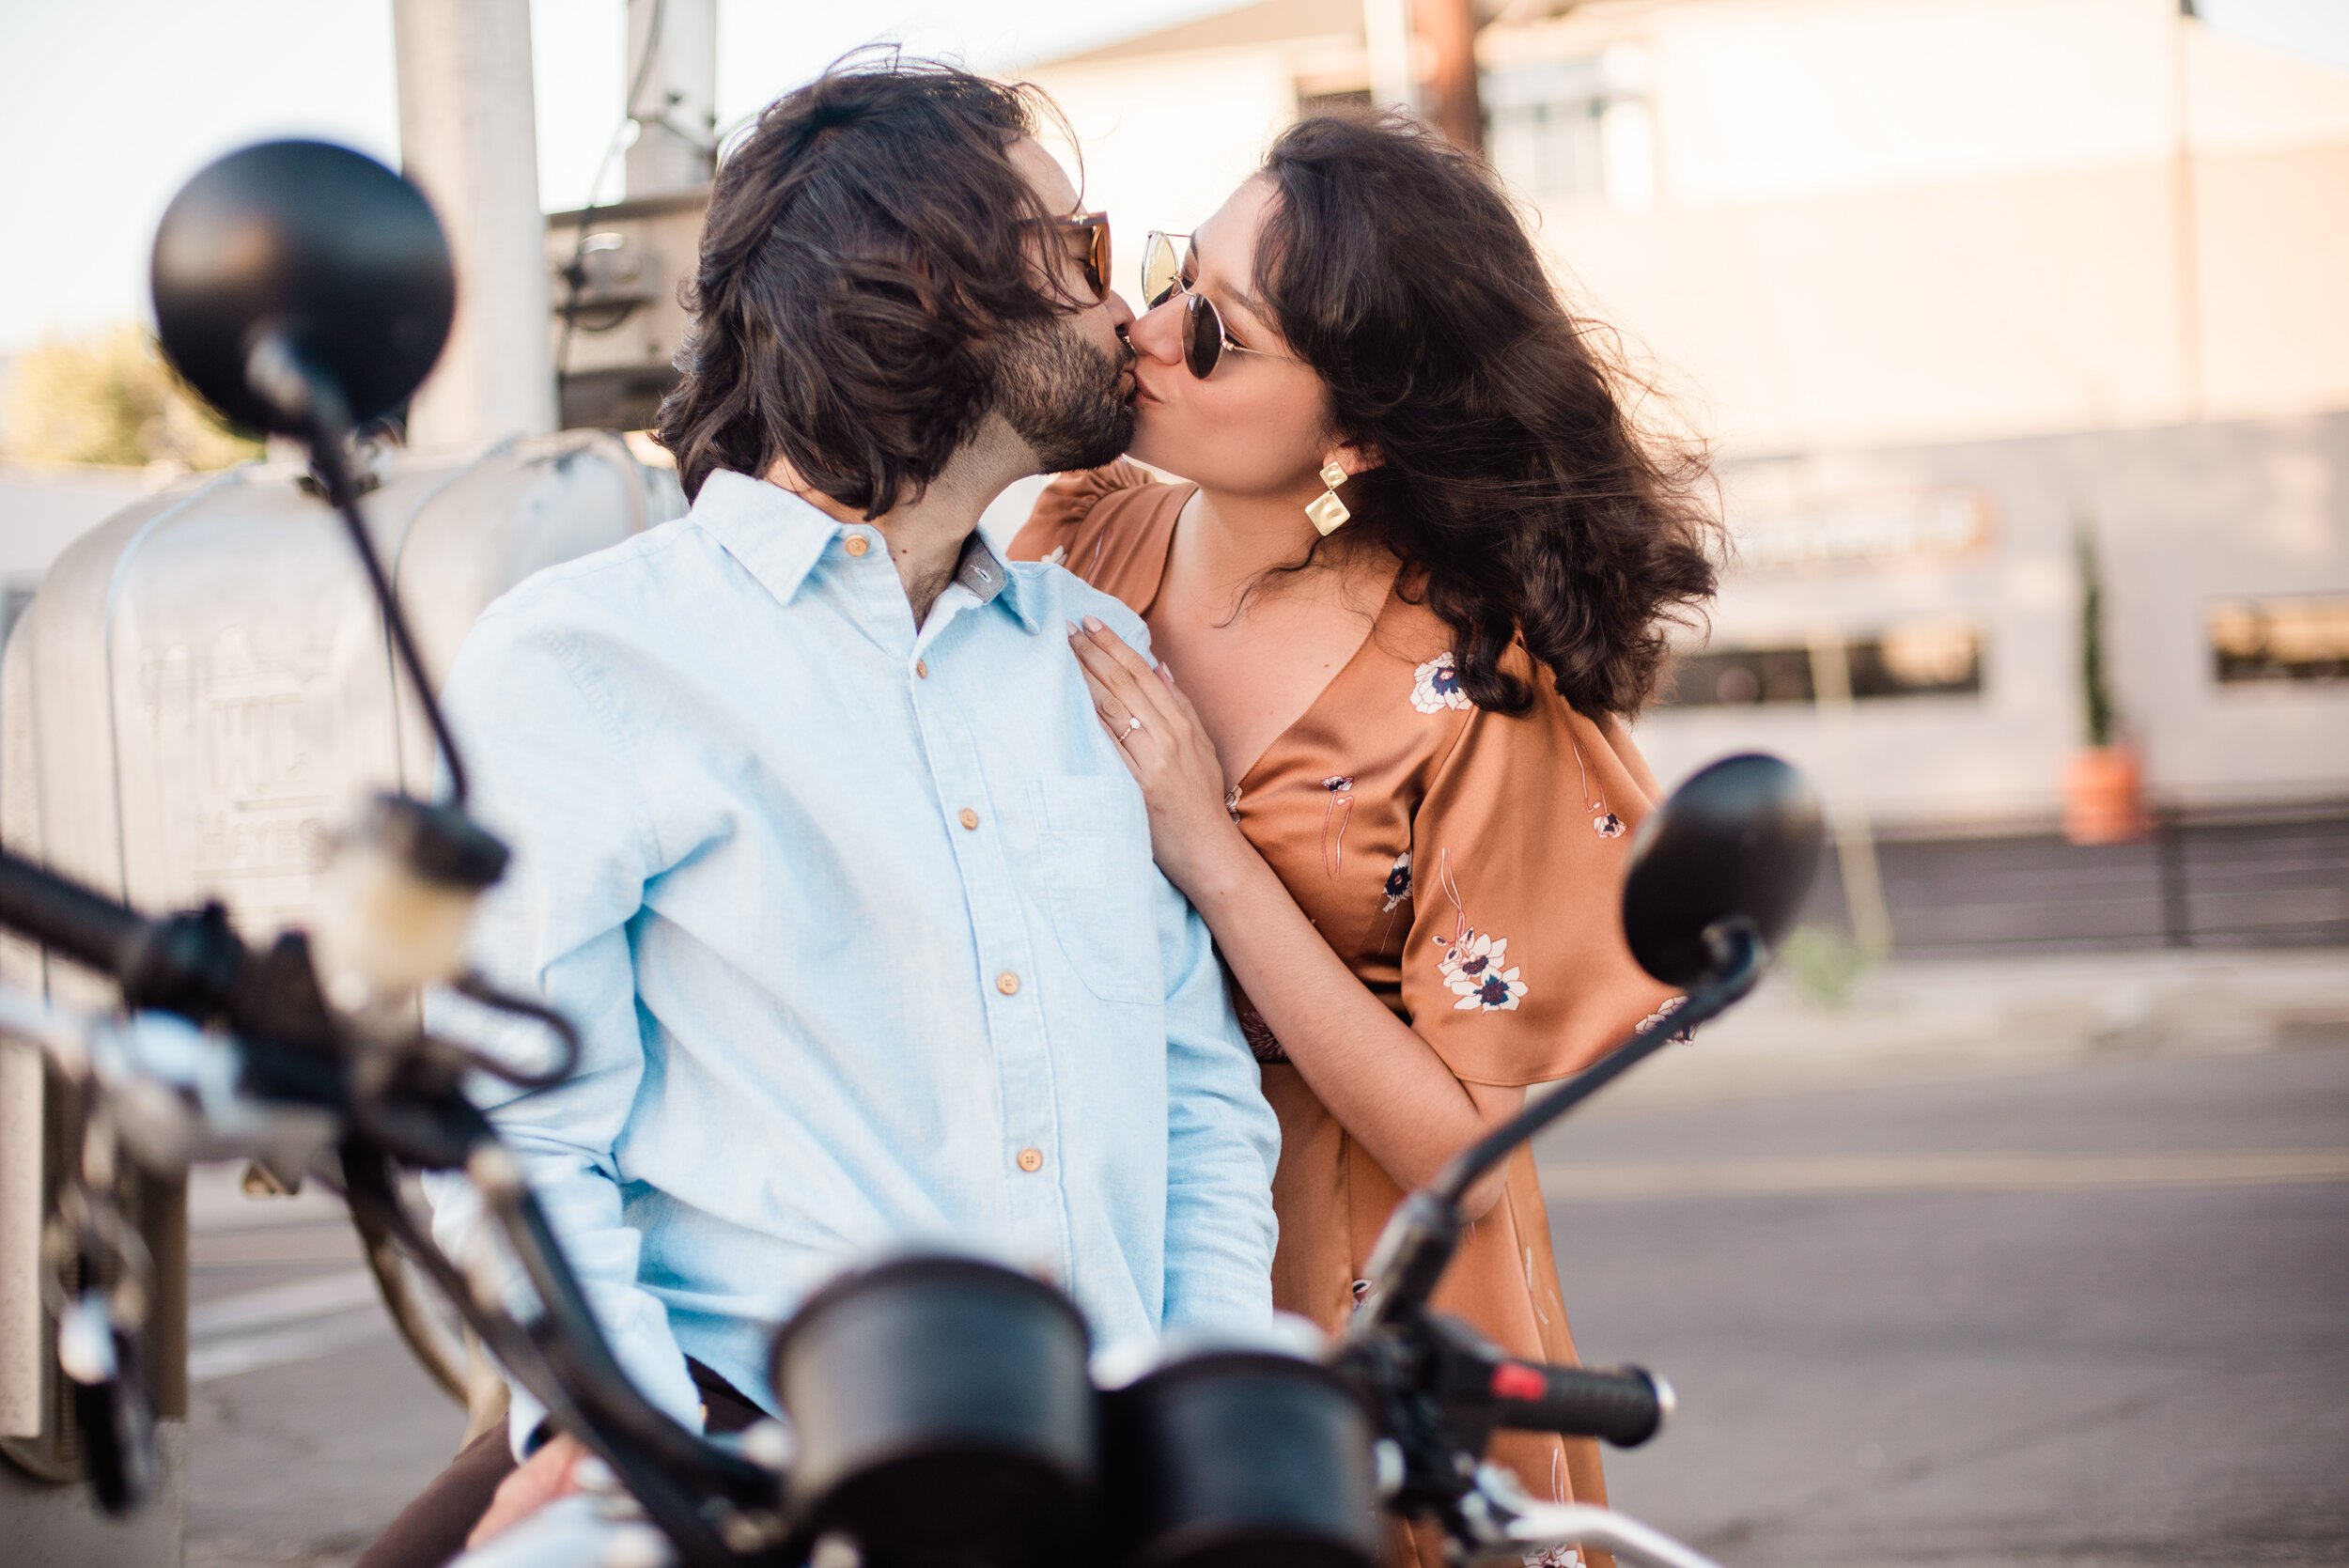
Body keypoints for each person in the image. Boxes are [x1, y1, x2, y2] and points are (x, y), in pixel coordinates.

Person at [355, 56, 1279, 1568]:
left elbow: (1197, 1102)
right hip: (750, 1485)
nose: (1128, 314)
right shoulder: (588, 658)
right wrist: (655, 1469)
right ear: (933, 287)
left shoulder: (1088, 658)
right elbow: (508, 1132)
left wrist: (1200, 1452)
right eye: (1082, 253)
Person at [1010, 110, 1719, 1568]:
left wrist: (1211, 849)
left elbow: (1464, 1140)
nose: (1146, 331)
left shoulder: (1467, 681)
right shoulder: (1080, 535)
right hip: (1109, 1231)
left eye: (1217, 333)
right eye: (1166, 275)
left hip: (1360, 1279)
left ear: (1355, 428)